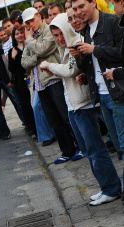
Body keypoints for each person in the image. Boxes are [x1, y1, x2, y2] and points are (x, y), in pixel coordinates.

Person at [40, 13, 122, 205]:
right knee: (88, 150)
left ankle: (111, 188)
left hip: (84, 103)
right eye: (55, 35)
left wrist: (50, 66)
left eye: (60, 33)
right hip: (73, 105)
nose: (59, 38)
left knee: (96, 149)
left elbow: (71, 70)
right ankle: (106, 187)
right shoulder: (65, 48)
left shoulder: (77, 42)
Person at [21, 7, 81, 164]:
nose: (29, 25)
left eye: (31, 20)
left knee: (65, 115)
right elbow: (24, 61)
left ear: (39, 17)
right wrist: (38, 54)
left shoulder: (48, 30)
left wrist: (32, 45)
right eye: (26, 23)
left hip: (54, 78)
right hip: (40, 83)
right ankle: (67, 151)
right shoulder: (30, 38)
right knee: (54, 120)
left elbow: (45, 48)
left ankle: (79, 147)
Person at [72, 0, 124, 165]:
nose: (78, 12)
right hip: (100, 95)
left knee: (123, 146)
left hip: (117, 92)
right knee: (118, 146)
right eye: (75, 9)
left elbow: (120, 54)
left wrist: (95, 49)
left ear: (93, 3)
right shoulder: (86, 30)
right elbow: (92, 65)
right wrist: (80, 60)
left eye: (82, 6)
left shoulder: (112, 21)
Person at [8, 27, 37, 136]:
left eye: (21, 33)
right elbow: (11, 68)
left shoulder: (29, 45)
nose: (20, 35)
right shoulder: (12, 50)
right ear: (14, 36)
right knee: (25, 105)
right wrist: (13, 57)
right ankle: (32, 128)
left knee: (35, 104)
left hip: (32, 77)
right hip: (20, 81)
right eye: (17, 34)